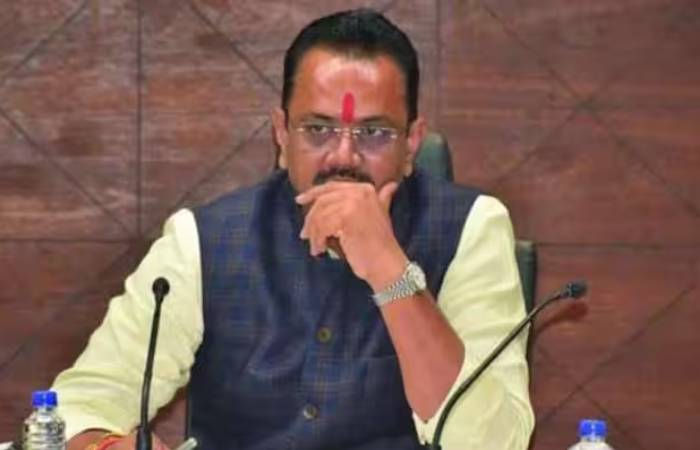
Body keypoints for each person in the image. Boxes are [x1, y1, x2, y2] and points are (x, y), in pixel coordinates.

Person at [52, 8, 534, 450]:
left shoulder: (471, 230)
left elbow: (495, 444)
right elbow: (77, 407)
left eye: (373, 133)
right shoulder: (202, 241)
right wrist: (105, 446)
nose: (343, 156)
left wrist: (391, 271)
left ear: (411, 143)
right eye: (318, 129)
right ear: (282, 135)